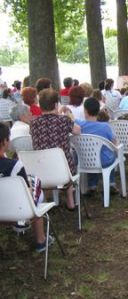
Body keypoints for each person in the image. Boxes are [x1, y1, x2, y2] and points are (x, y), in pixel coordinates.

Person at [0, 123, 52, 252]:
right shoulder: (15, 165)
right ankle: (41, 240)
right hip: (15, 210)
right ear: (5, 141)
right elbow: (28, 195)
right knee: (35, 185)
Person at [30, 88, 80, 210]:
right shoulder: (63, 120)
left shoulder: (33, 122)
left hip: (41, 170)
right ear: (56, 104)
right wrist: (70, 117)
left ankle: (45, 199)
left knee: (53, 155)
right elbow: (77, 131)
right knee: (69, 155)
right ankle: (70, 200)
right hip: (63, 170)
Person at [75, 98, 119, 195]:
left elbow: (71, 119)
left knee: (91, 155)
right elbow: (115, 143)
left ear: (85, 110)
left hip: (84, 160)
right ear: (98, 110)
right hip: (104, 161)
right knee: (110, 155)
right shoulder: (105, 126)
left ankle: (92, 185)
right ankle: (111, 183)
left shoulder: (79, 125)